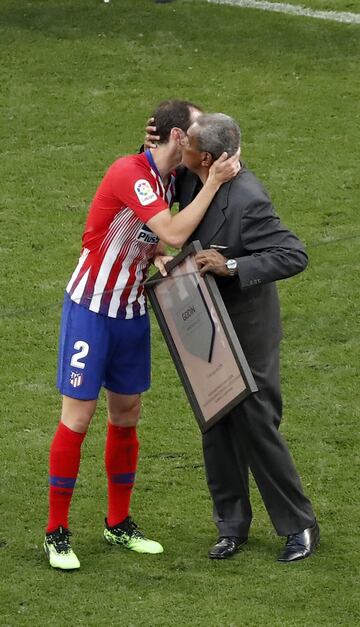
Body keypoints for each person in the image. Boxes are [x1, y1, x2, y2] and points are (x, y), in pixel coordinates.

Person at [44, 100, 240, 571]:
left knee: (127, 414)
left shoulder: (170, 177)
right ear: (177, 137)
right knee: (78, 417)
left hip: (131, 309)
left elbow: (155, 228)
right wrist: (213, 182)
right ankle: (56, 532)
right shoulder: (129, 172)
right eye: (196, 129)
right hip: (91, 309)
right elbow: (172, 232)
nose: (202, 136)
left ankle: (118, 523)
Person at [148, 112, 319, 562]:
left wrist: (233, 266)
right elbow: (160, 170)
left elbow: (292, 254)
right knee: (216, 423)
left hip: (247, 326)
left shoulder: (248, 200)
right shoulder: (192, 176)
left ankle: (299, 525)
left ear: (207, 157)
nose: (179, 150)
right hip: (206, 322)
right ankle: (231, 526)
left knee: (256, 422)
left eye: (187, 147)